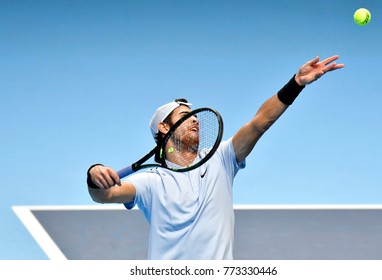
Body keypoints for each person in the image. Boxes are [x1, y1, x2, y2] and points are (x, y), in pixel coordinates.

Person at [87, 55, 344, 260]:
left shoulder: (221, 159)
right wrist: (94, 174)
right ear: (164, 128)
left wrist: (296, 83)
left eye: (196, 115)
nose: (195, 119)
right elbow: (105, 195)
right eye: (185, 117)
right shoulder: (151, 181)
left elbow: (259, 123)